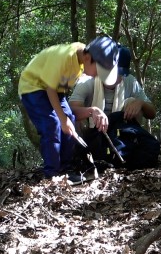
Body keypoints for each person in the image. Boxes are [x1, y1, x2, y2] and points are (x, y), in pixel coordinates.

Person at [18, 36, 118, 181]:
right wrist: (62, 119)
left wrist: (70, 117)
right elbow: (50, 88)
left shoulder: (82, 59)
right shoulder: (64, 57)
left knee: (70, 119)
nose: (97, 75)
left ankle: (64, 169)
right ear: (88, 58)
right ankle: (52, 174)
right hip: (33, 88)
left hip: (56, 91)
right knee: (53, 124)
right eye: (98, 71)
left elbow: (59, 92)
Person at [70, 46, 160, 170]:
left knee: (133, 102)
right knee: (76, 118)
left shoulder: (130, 82)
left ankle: (126, 150)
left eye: (120, 73)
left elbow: (152, 113)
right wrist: (91, 111)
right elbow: (71, 112)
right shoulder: (87, 81)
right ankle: (81, 155)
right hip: (92, 133)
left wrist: (141, 103)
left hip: (119, 133)